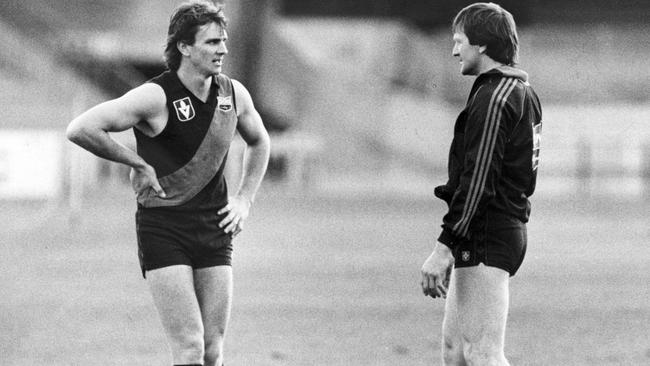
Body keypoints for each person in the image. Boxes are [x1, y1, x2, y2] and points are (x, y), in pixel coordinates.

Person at [66, 1, 270, 365]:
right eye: (211, 43)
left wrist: (244, 199)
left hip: (214, 227)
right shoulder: (155, 96)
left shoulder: (233, 93)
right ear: (184, 47)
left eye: (223, 41)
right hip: (164, 228)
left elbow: (260, 141)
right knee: (190, 347)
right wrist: (135, 161)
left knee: (211, 349)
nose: (222, 49)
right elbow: (81, 128)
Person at [420, 3, 542, 365]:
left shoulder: (496, 97)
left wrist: (444, 247)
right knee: (455, 351)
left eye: (459, 41)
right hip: (488, 230)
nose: (455, 50)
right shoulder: (512, 89)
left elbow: (478, 181)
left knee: (482, 354)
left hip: (489, 231)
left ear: (483, 45)